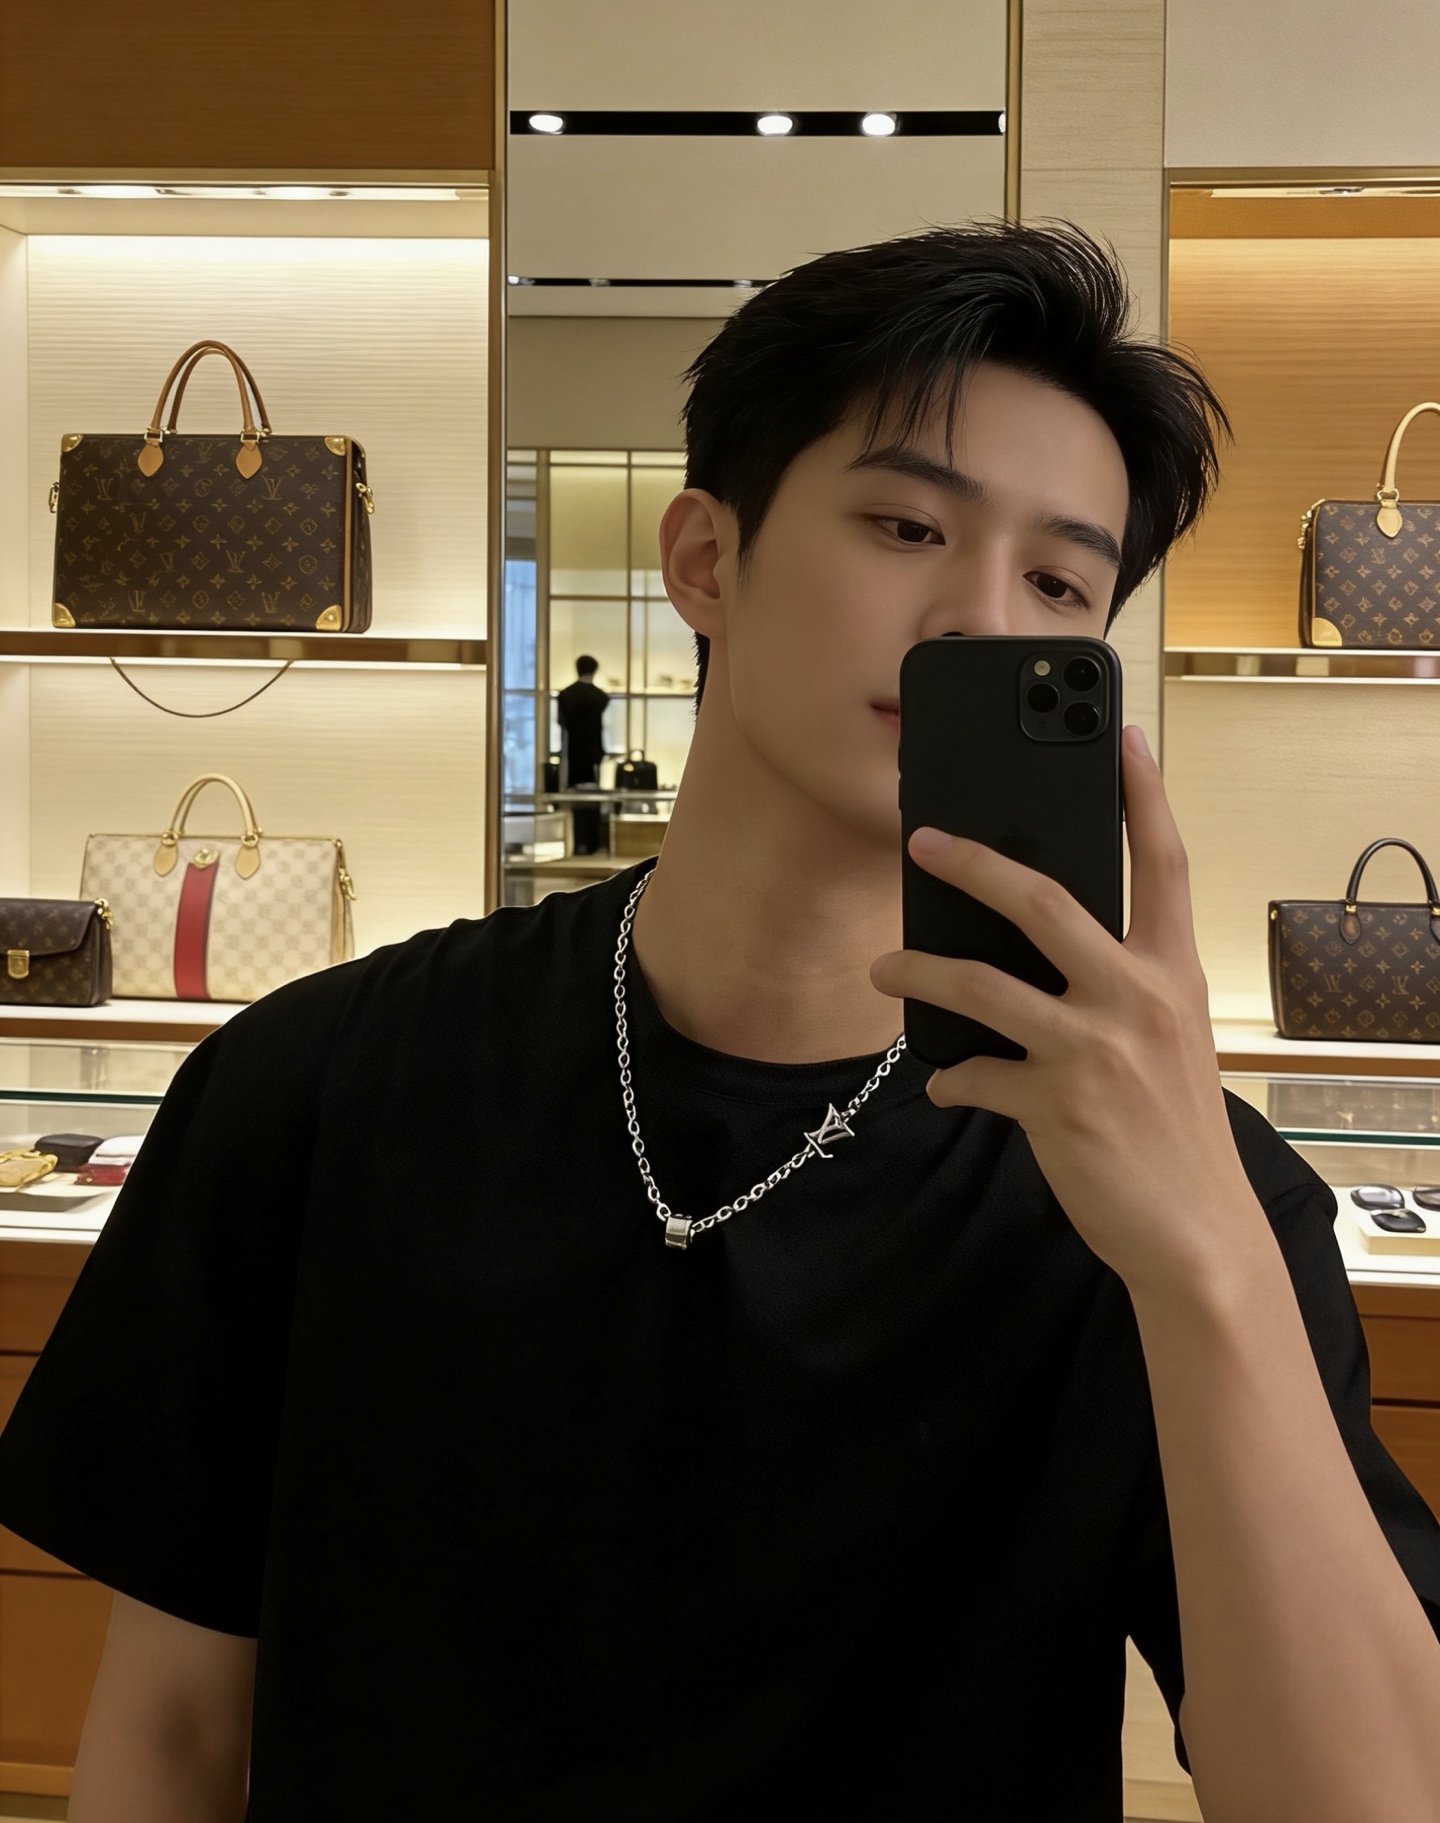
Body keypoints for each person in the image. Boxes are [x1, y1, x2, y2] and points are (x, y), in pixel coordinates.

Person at [2, 223, 1439, 1823]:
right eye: (906, 524)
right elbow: (171, 1733)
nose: (975, 615)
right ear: (704, 559)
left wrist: (1208, 1260)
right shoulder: (314, 1087)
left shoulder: (1171, 1188)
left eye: (1056, 581)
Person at [555, 653, 610, 854]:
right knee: (592, 800)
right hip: (593, 754)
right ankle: (591, 843)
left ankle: (574, 843)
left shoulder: (565, 695)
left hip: (571, 754)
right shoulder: (600, 697)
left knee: (573, 800)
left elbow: (562, 723)